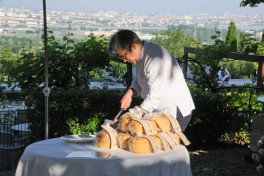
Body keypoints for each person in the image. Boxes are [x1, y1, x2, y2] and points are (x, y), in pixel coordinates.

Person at [108, 29, 195, 131]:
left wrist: (132, 117)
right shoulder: (141, 56)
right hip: (160, 110)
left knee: (167, 144)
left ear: (134, 46)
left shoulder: (156, 58)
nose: (124, 60)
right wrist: (130, 93)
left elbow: (155, 95)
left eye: (124, 56)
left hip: (175, 110)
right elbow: (141, 78)